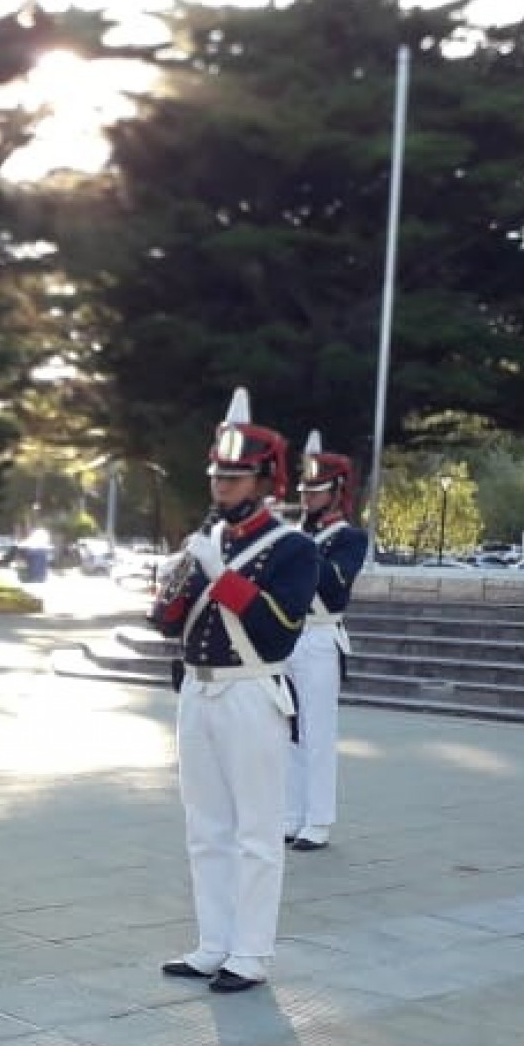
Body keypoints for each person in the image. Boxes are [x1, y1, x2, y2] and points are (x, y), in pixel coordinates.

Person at [149, 388, 318, 993]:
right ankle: (212, 941)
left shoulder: (293, 548)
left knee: (255, 830)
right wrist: (175, 585)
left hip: (251, 692)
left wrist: (221, 578)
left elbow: (278, 631)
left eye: (236, 475)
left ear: (264, 481)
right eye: (218, 474)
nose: (222, 484)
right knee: (206, 825)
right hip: (199, 690)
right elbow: (168, 626)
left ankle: (250, 951)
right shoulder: (209, 540)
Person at [284, 430, 369, 852]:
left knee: (317, 731)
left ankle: (318, 819)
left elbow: (335, 588)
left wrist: (301, 547)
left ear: (336, 492)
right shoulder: (297, 534)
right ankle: (292, 813)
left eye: (316, 490)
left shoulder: (350, 538)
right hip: (288, 636)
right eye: (304, 489)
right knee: (288, 730)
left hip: (319, 636)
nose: (307, 496)